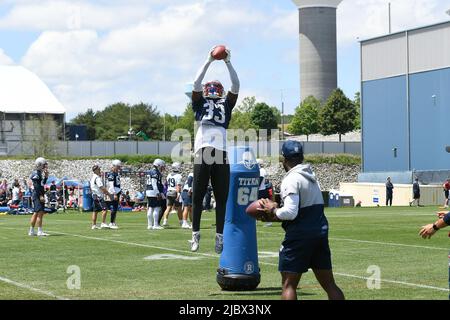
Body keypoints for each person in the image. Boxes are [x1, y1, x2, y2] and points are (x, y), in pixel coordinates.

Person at [256, 140, 345, 300]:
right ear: (302, 157)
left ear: (284, 159)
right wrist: (278, 211)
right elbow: (302, 211)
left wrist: (273, 210)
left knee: (288, 285)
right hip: (319, 234)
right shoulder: (311, 177)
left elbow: (290, 212)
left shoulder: (291, 179)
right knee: (330, 285)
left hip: (299, 237)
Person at [189, 46, 240, 253]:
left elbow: (235, 85)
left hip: (217, 152)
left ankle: (218, 236)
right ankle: (195, 234)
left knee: (220, 197)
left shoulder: (221, 103)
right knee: (200, 195)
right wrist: (214, 60)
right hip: (207, 150)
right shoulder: (202, 102)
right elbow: (197, 82)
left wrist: (221, 61)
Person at [28, 157, 50, 237]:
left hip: (37, 194)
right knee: (38, 213)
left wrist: (46, 177)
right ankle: (38, 231)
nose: (45, 166)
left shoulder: (39, 173)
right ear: (40, 165)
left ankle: (33, 231)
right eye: (44, 165)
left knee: (38, 213)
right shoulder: (36, 174)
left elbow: (41, 184)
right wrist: (41, 195)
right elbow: (37, 186)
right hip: (37, 195)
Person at [145, 159, 166, 230]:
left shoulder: (150, 171)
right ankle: (155, 224)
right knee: (156, 208)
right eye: (162, 166)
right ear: (158, 165)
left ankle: (149, 225)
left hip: (149, 190)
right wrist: (157, 193)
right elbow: (154, 183)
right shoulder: (155, 172)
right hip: (154, 191)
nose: (163, 168)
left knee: (150, 208)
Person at [90, 164, 111, 230]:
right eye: (99, 169)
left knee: (95, 211)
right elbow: (101, 187)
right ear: (95, 170)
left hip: (94, 195)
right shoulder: (97, 178)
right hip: (98, 196)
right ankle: (103, 223)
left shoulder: (92, 178)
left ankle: (94, 225)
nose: (100, 170)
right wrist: (108, 194)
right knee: (105, 209)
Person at [162, 162, 183, 227]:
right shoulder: (179, 176)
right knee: (179, 208)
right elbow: (178, 186)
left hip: (169, 192)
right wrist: (179, 193)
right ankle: (181, 222)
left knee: (168, 207)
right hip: (175, 192)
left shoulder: (169, 175)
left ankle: (165, 221)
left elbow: (166, 183)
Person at [107, 159, 122, 229]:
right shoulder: (111, 173)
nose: (119, 168)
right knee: (113, 207)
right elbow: (111, 185)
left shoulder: (116, 173)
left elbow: (117, 184)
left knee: (115, 208)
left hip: (117, 191)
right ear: (115, 166)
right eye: (118, 167)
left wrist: (120, 192)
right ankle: (111, 223)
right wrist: (115, 193)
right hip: (114, 192)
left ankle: (113, 222)